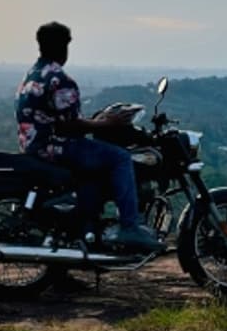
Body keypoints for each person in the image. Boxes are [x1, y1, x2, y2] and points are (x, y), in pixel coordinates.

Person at [15, 21, 164, 253]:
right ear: (63, 46)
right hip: (55, 146)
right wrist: (108, 123)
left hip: (34, 144)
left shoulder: (32, 75)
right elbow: (71, 126)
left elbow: (61, 118)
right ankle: (130, 226)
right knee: (120, 157)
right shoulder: (59, 79)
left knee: (98, 157)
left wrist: (97, 121)